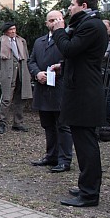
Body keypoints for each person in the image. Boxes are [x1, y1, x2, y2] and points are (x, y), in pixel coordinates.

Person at [51, 0, 108, 207]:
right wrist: (63, 67)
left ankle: (90, 193)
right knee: (83, 143)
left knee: (86, 145)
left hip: (85, 94)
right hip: (82, 90)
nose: (69, 9)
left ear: (84, 6)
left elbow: (69, 49)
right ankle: (86, 186)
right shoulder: (88, 24)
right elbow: (81, 57)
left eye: (72, 5)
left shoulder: (91, 26)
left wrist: (58, 31)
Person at [28, 11, 73, 173]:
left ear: (63, 21)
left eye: (57, 20)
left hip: (60, 88)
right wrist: (37, 73)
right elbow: (31, 61)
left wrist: (59, 69)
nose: (54, 23)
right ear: (46, 23)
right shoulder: (39, 42)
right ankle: (51, 155)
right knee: (48, 125)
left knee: (63, 126)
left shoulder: (68, 39)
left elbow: (70, 59)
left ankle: (64, 159)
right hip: (42, 88)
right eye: (51, 20)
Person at [0, 21, 32, 134]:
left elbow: (26, 57)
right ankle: (2, 123)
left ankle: (18, 123)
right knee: (6, 99)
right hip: (7, 74)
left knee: (20, 98)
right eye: (10, 29)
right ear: (5, 31)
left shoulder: (21, 41)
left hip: (22, 72)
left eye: (14, 29)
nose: (13, 31)